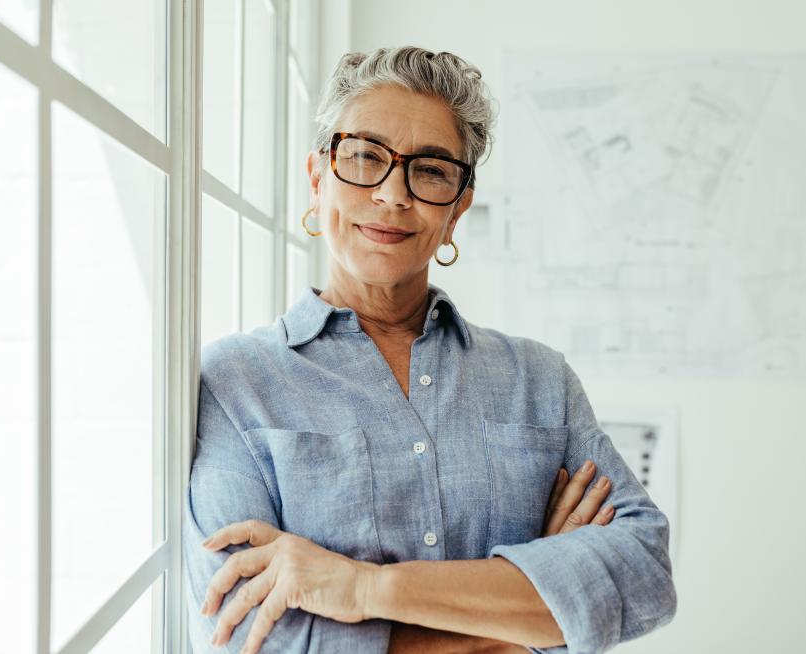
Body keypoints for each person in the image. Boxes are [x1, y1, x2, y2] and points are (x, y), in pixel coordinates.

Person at [183, 46, 676, 654]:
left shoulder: (540, 380)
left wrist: (364, 590)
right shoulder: (235, 383)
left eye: (432, 170)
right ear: (318, 176)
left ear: (458, 208)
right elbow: (255, 634)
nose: (393, 194)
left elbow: (643, 576)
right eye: (364, 157)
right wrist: (524, 620)